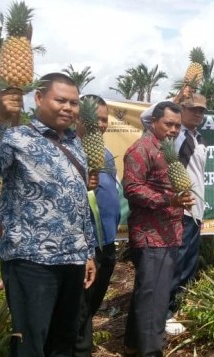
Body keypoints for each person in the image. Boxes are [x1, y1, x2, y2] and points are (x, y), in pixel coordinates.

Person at [0, 73, 96, 356]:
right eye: (60, 100)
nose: (68, 108)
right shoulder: (15, 137)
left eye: (73, 103)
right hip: (31, 260)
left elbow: (79, 202)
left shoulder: (75, 143)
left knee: (63, 342)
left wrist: (89, 251)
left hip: (72, 258)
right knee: (30, 345)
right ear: (38, 98)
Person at [122, 101, 195, 357]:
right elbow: (131, 188)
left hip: (167, 233)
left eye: (177, 125)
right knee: (154, 298)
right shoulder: (142, 149)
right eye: (168, 124)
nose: (174, 130)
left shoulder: (167, 151)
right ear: (154, 122)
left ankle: (133, 343)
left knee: (148, 292)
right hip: (151, 236)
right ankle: (151, 352)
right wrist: (169, 200)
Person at [74, 95, 121, 356]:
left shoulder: (104, 154)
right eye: (95, 118)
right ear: (78, 119)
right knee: (80, 310)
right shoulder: (67, 150)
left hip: (107, 241)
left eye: (104, 119)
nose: (100, 124)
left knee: (92, 305)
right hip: (84, 245)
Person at [166, 93, 208, 335]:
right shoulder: (176, 135)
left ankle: (178, 307)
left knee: (189, 264)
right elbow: (146, 116)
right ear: (181, 109)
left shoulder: (200, 139)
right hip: (179, 210)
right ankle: (166, 313)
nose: (198, 114)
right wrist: (178, 95)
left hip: (196, 211)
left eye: (202, 111)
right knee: (177, 262)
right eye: (193, 109)